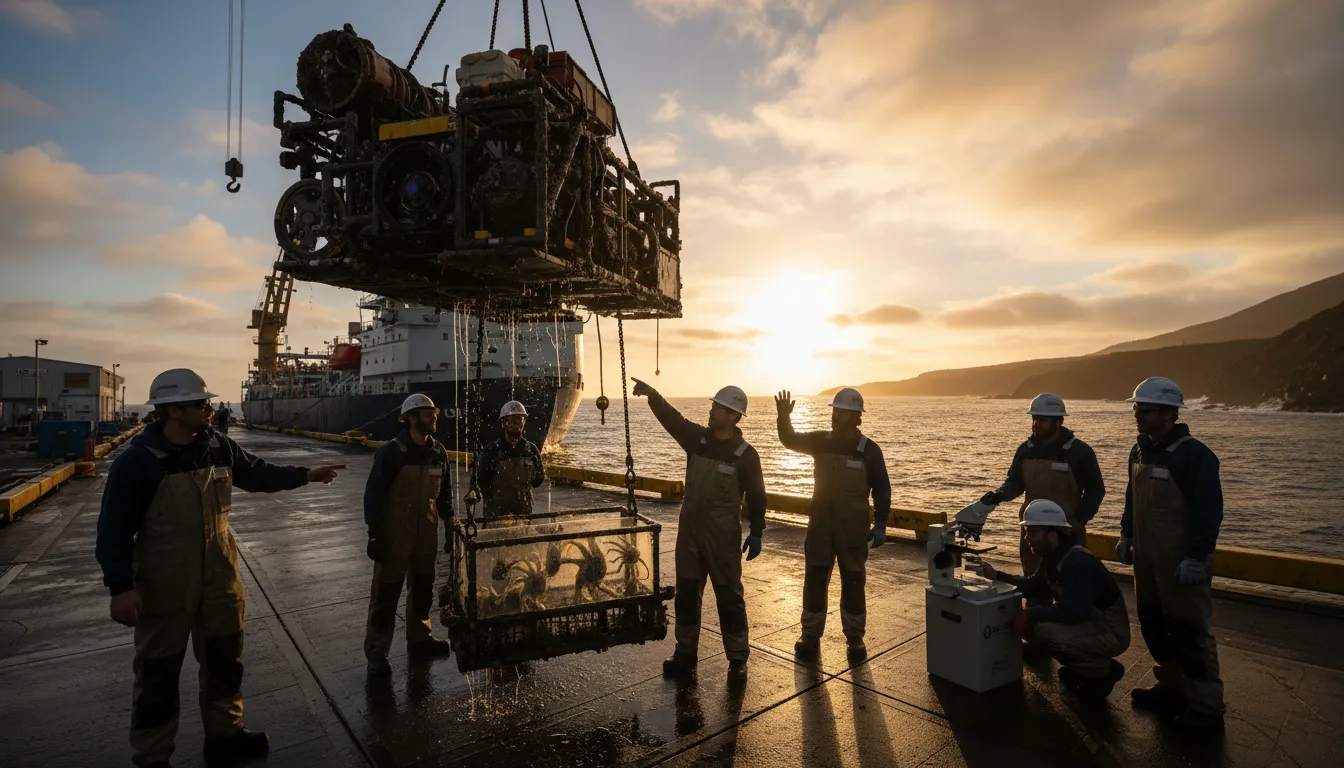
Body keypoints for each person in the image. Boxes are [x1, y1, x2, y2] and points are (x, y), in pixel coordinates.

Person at [95, 369, 345, 768]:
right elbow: (113, 529)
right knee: (158, 670)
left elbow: (258, 473)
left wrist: (305, 476)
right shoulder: (138, 463)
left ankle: (225, 734)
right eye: (201, 404)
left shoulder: (218, 446)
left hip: (220, 572)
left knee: (225, 656)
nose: (211, 409)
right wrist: (120, 587)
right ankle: (152, 755)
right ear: (173, 410)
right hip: (164, 581)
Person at [633, 378, 766, 683]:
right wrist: (654, 395)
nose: (713, 411)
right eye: (714, 406)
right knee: (687, 594)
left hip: (722, 538)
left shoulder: (746, 455)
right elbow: (672, 419)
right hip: (690, 534)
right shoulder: (697, 440)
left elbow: (757, 497)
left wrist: (757, 531)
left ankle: (737, 658)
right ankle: (685, 653)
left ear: (734, 416)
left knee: (729, 597)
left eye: (720, 408)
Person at [1116, 377, 1225, 731]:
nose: (1138, 415)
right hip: (1148, 559)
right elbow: (1133, 498)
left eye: (1145, 410)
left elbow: (1207, 512)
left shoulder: (1195, 456)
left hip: (1180, 561)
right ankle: (1172, 687)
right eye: (1136, 408)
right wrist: (1127, 534)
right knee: (1153, 624)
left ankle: (1207, 707)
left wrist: (1196, 557)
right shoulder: (1139, 450)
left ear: (1170, 413)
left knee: (1189, 630)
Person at [776, 388, 890, 661]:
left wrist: (882, 522)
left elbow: (882, 489)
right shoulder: (821, 441)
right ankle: (810, 635)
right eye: (834, 410)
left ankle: (855, 639)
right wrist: (783, 418)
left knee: (853, 583)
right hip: (821, 527)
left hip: (853, 530)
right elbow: (789, 440)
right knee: (814, 581)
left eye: (839, 411)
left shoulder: (869, 450)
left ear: (854, 416)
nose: (834, 414)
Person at [978, 500, 1130, 697]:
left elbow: (1071, 612)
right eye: (1026, 532)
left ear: (1052, 534)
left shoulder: (1077, 563)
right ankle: (1083, 669)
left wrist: (1028, 614)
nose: (1027, 538)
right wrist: (997, 576)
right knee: (1039, 627)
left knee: (1046, 632)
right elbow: (1035, 585)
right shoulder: (1053, 556)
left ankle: (1103, 672)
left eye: (1033, 532)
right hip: (1092, 621)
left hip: (1111, 631)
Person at [363, 393, 455, 675]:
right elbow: (374, 496)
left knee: (423, 589)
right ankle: (377, 652)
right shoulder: (391, 452)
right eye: (428, 414)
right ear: (412, 418)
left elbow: (445, 496)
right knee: (387, 594)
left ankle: (420, 638)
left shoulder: (438, 452)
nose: (434, 417)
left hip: (426, 534)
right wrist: (376, 535)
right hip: (395, 535)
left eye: (435, 413)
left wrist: (450, 525)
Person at [975, 394, 1105, 593]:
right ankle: (1035, 619)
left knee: (1069, 585)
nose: (1036, 424)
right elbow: (1016, 482)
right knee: (1033, 585)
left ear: (1059, 421)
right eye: (1034, 418)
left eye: (1043, 419)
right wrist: (998, 495)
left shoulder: (1079, 452)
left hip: (1066, 532)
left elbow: (1096, 489)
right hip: (1032, 533)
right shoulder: (1026, 450)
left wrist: (1080, 519)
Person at [472, 400, 545, 522]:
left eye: (520, 419)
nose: (517, 423)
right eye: (513, 420)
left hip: (523, 515)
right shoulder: (491, 451)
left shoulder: (531, 450)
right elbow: (481, 481)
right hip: (495, 517)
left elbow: (539, 479)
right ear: (504, 423)